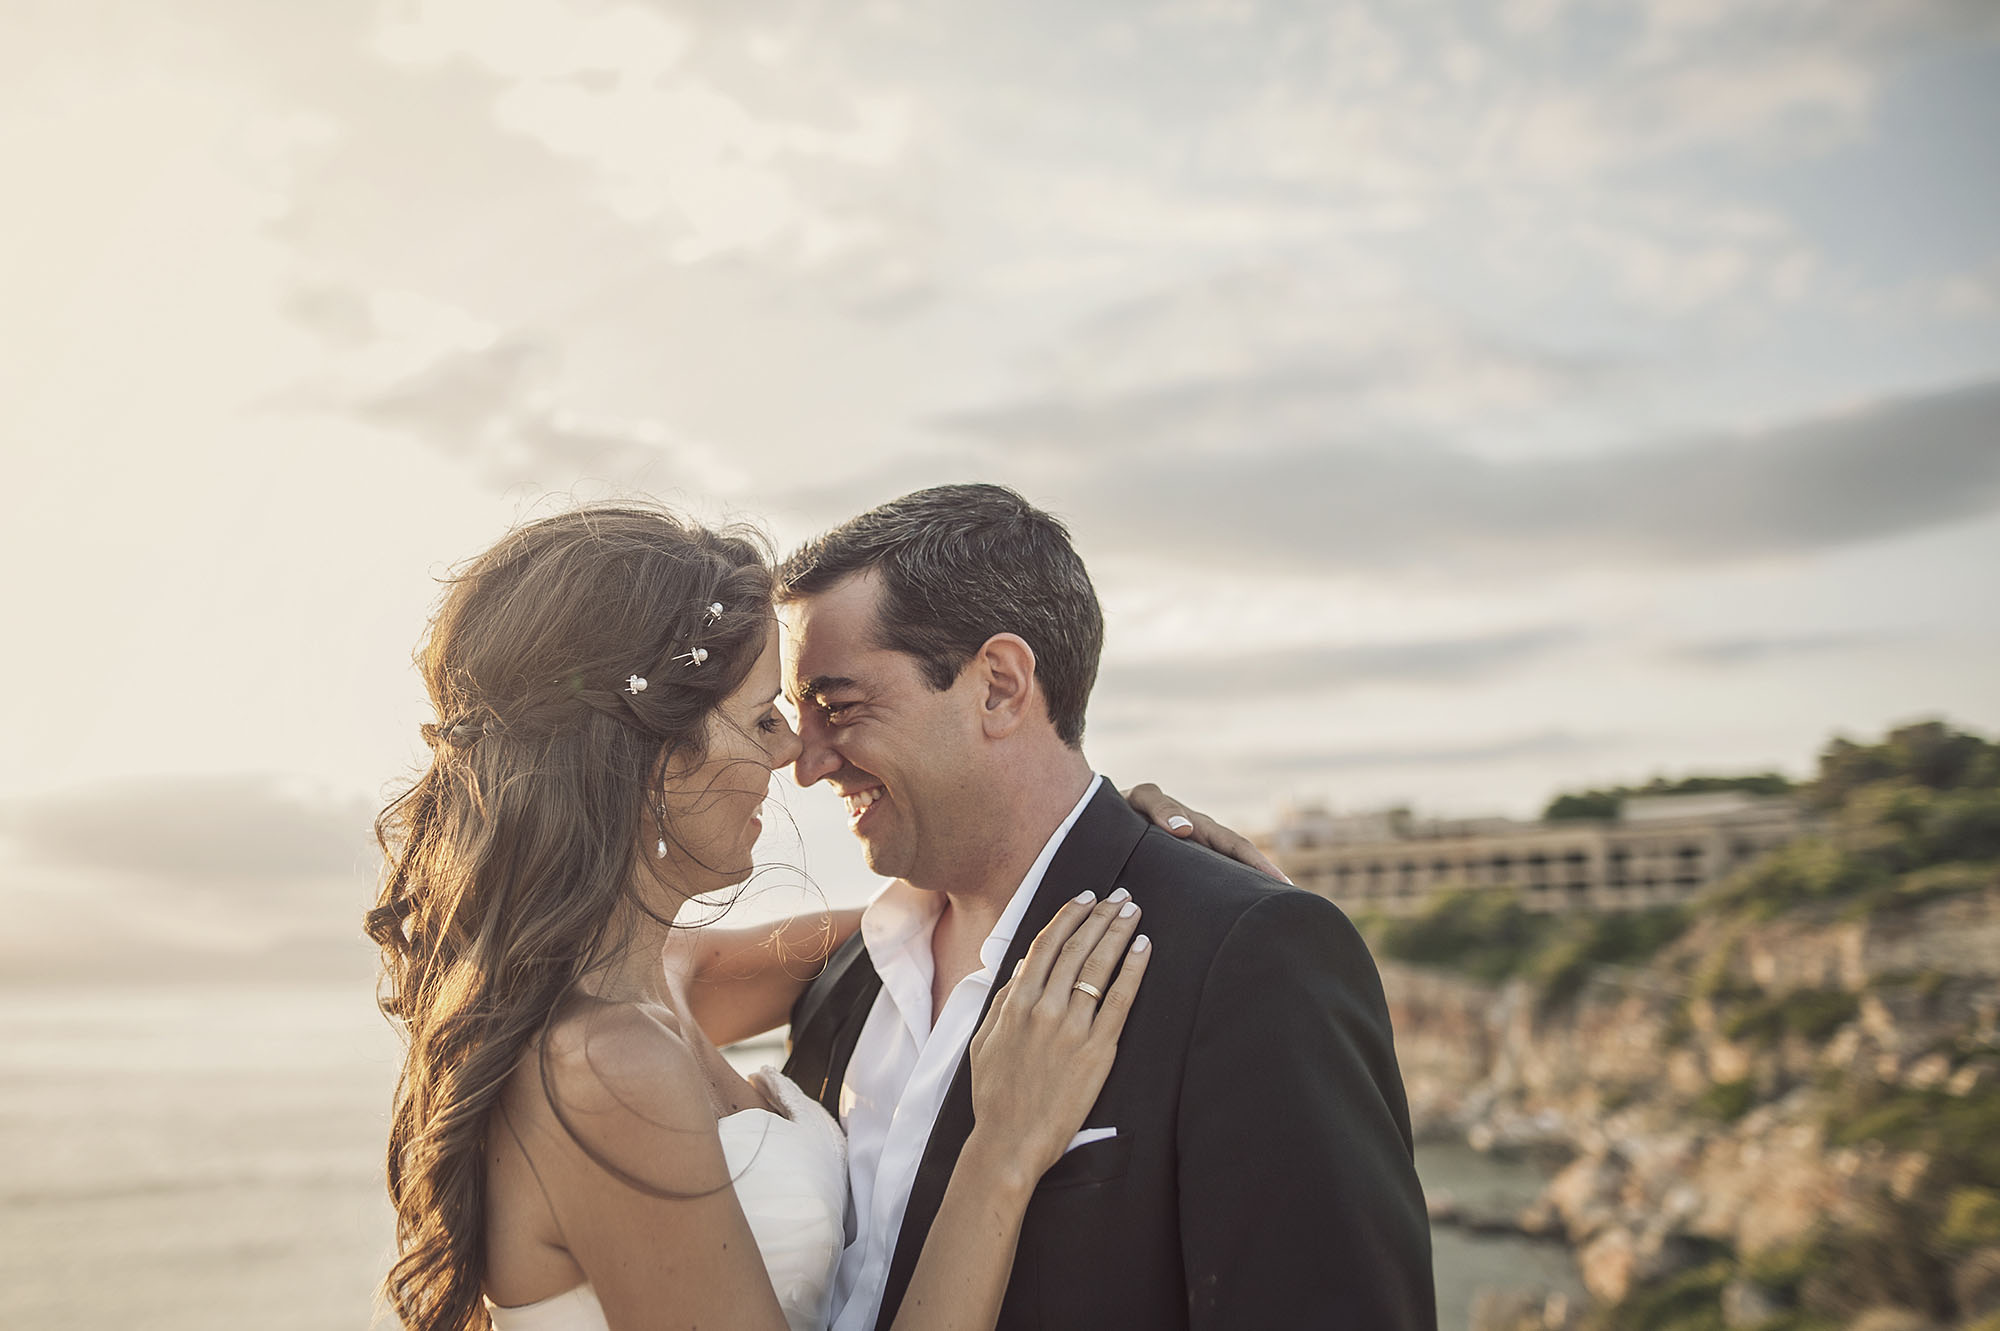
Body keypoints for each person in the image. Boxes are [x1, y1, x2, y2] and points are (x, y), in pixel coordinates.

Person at [366, 504, 1259, 1331]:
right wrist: (1002, 1153)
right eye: (764, 719)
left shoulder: (664, 979)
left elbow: (924, 928)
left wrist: (1138, 857)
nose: (795, 755)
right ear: (647, 761)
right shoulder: (608, 1064)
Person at [777, 484, 1437, 1330]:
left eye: (839, 706)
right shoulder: (846, 970)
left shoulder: (1245, 953)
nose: (809, 763)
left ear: (1001, 687)